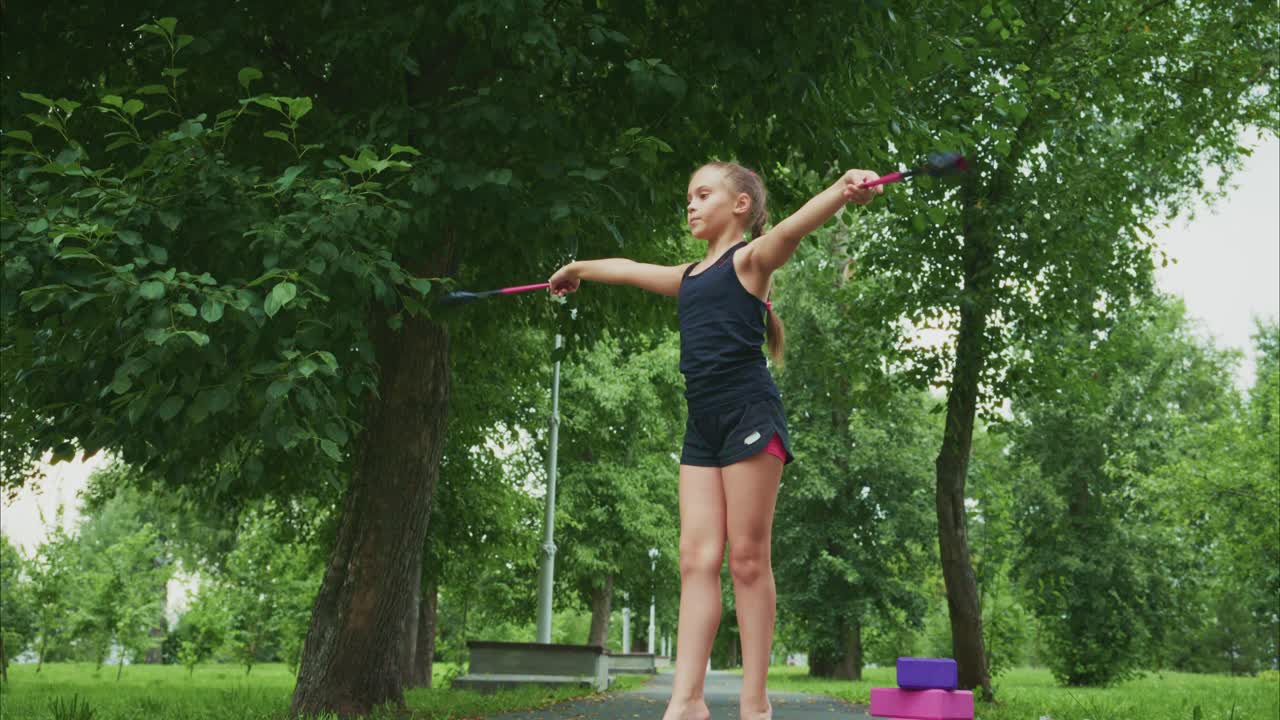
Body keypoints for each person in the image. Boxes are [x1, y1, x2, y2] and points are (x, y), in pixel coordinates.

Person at [548, 161, 882, 720]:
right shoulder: (687, 278)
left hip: (749, 413)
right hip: (701, 425)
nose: (692, 204)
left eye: (704, 194)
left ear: (741, 206)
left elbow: (793, 228)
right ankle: (687, 701)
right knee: (695, 559)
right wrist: (576, 268)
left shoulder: (750, 261)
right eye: (689, 196)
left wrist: (843, 189)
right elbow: (629, 269)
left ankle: (755, 705)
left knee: (747, 559)